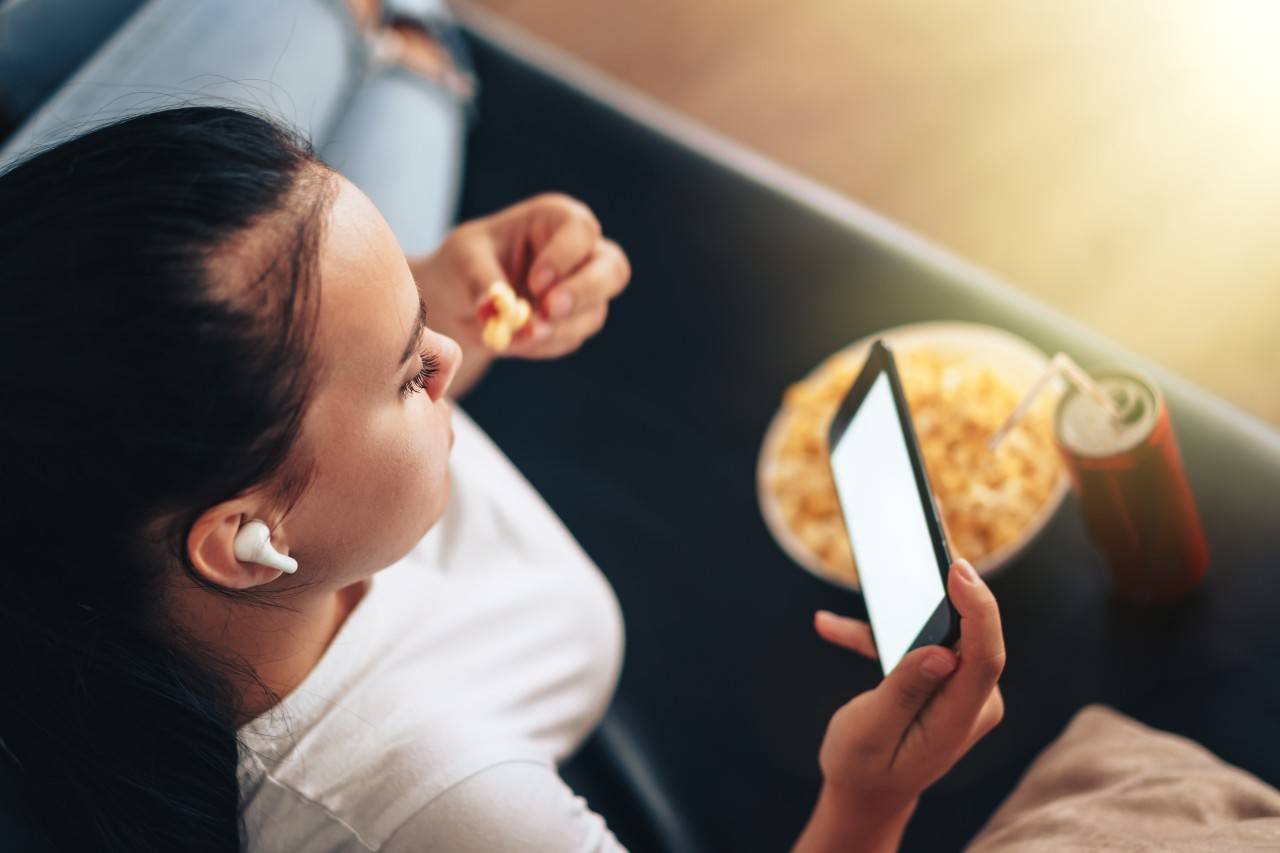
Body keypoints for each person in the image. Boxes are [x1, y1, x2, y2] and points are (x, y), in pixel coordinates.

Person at [0, 104, 1004, 853]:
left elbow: (367, 364)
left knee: (378, 36)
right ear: (249, 539)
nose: (447, 350)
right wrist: (868, 797)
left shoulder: (160, 529)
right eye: (406, 370)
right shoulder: (438, 806)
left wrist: (446, 289)